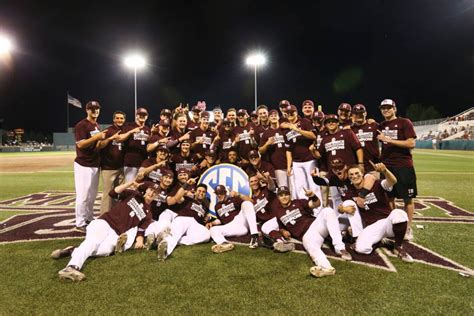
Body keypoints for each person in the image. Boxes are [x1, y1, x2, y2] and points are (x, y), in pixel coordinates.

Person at [52, 181, 158, 281]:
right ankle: (71, 267)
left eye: (155, 192)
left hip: (116, 233)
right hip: (105, 222)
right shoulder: (134, 194)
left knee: (107, 250)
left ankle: (73, 250)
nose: (152, 193)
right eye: (151, 190)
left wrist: (139, 241)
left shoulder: (148, 215)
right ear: (146, 190)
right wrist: (129, 183)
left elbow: (141, 230)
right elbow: (112, 193)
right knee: (93, 242)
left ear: (156, 196)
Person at [269, 186, 352, 278]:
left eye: (286, 194)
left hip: (315, 225)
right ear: (278, 197)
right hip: (306, 235)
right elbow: (280, 226)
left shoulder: (298, 202)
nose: (284, 197)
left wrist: (313, 196)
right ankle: (327, 268)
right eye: (281, 195)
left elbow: (316, 204)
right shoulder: (278, 212)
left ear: (290, 195)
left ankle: (340, 249)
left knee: (327, 210)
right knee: (312, 248)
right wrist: (283, 230)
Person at [345, 162, 413, 262]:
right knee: (361, 249)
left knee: (399, 213)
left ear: (363, 174)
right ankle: (380, 242)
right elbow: (344, 207)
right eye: (351, 174)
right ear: (349, 177)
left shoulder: (376, 184)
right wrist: (342, 209)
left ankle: (398, 247)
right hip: (371, 227)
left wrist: (385, 171)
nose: (354, 176)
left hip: (387, 222)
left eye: (357, 173)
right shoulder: (350, 192)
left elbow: (392, 181)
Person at [377, 99, 417, 240]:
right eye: (383, 108)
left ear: (394, 108)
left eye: (388, 107)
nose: (386, 110)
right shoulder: (381, 125)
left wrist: (387, 140)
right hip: (386, 166)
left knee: (408, 198)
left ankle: (408, 228)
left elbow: (411, 143)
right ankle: (395, 225)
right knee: (389, 197)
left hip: (403, 165)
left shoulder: (404, 122)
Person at [73, 101, 107, 232]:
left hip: (94, 164)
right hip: (83, 164)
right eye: (92, 109)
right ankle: (80, 223)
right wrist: (97, 137)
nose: (95, 111)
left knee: (92, 195)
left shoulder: (96, 125)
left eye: (97, 109)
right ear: (87, 110)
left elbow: (97, 145)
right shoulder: (82, 125)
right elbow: (80, 145)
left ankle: (88, 218)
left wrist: (105, 140)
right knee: (83, 195)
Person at [156, 184, 212, 261]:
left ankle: (168, 239)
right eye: (199, 191)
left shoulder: (205, 207)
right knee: (176, 233)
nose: (201, 193)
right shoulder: (188, 199)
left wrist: (207, 222)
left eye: (203, 192)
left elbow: (204, 220)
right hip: (183, 217)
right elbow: (177, 197)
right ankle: (165, 251)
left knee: (206, 235)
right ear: (195, 192)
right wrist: (186, 187)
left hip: (195, 224)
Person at [280, 104, 320, 201]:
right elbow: (288, 149)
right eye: (288, 113)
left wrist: (297, 129)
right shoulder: (285, 129)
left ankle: (318, 210)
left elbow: (313, 136)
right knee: (300, 187)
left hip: (309, 159)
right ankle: (306, 210)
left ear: (296, 112)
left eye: (292, 112)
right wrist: (289, 166)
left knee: (314, 185)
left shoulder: (304, 122)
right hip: (296, 162)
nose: (290, 115)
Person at [207, 185, 259, 252]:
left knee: (246, 203)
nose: (219, 195)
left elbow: (251, 202)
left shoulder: (233, 199)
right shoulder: (217, 206)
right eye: (217, 193)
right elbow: (220, 220)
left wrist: (238, 194)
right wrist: (212, 223)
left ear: (225, 193)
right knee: (213, 229)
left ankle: (254, 235)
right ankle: (224, 244)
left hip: (240, 221)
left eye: (221, 193)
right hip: (232, 227)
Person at [98, 111, 127, 214]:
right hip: (108, 167)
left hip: (121, 168)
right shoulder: (108, 130)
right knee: (108, 194)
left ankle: (116, 215)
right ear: (114, 119)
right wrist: (110, 138)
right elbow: (100, 145)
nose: (119, 120)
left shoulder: (125, 130)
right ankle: (104, 217)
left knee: (120, 193)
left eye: (121, 118)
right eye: (117, 118)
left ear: (124, 120)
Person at [259, 109, 291, 188]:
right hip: (277, 167)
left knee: (294, 189)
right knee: (283, 189)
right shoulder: (266, 133)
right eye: (271, 116)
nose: (273, 117)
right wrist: (267, 144)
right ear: (268, 118)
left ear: (278, 117)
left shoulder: (285, 129)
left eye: (275, 115)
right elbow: (260, 151)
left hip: (290, 165)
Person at [122, 107, 152, 182]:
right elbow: (120, 139)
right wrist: (130, 132)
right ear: (136, 115)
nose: (142, 116)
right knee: (130, 187)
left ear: (147, 116)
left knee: (140, 188)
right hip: (130, 163)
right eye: (140, 114)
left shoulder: (147, 129)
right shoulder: (129, 126)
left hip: (143, 163)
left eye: (144, 115)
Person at [351, 104, 380, 177]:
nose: (359, 115)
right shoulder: (350, 130)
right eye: (356, 113)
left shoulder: (374, 125)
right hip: (356, 168)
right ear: (353, 115)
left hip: (374, 166)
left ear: (366, 113)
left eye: (361, 113)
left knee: (375, 187)